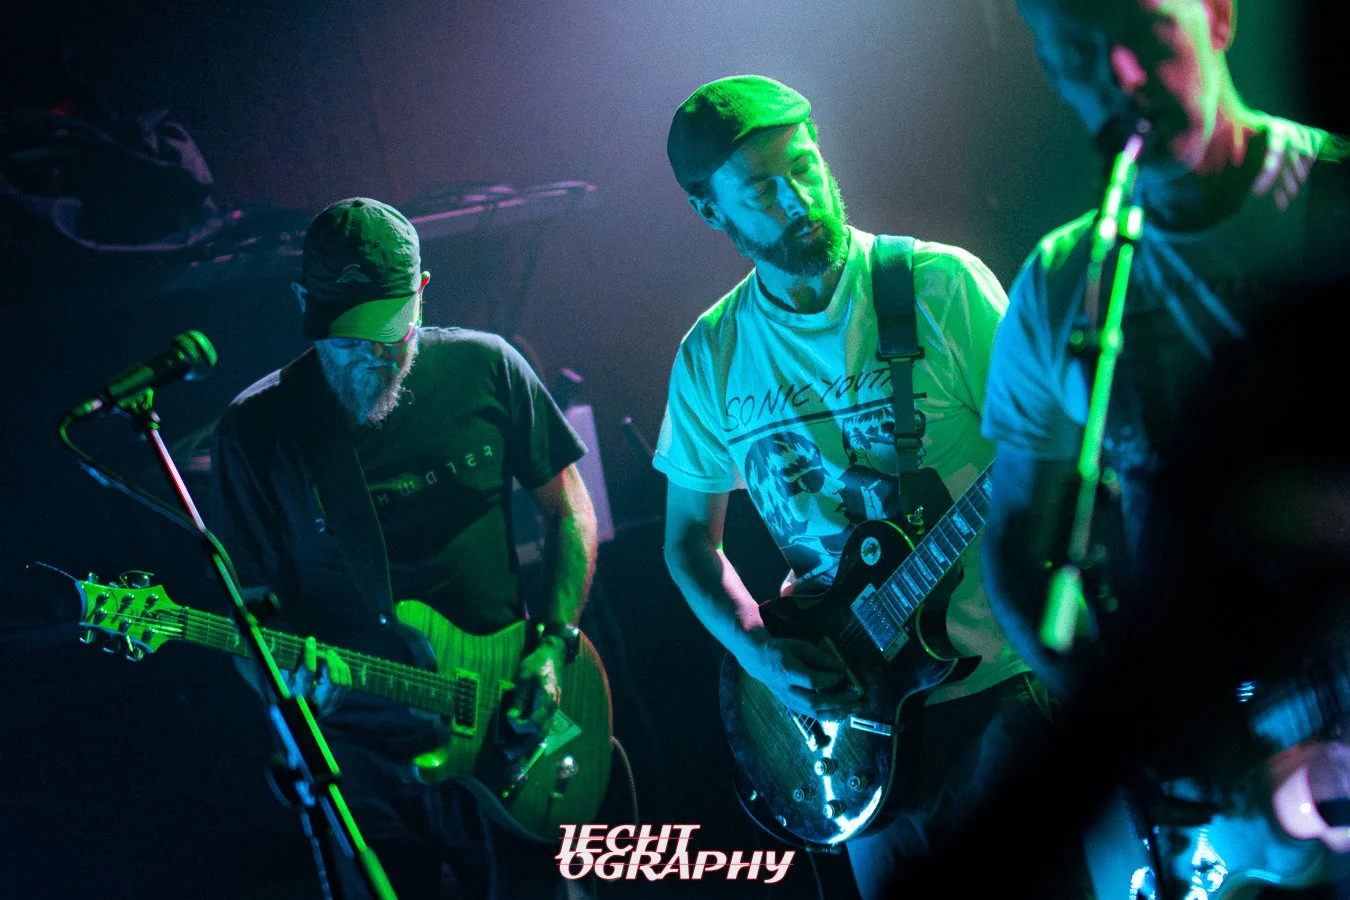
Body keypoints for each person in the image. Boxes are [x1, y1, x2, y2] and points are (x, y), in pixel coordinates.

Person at [653, 74, 1086, 898]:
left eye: (805, 167)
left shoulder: (940, 286)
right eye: (762, 190)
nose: (799, 198)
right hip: (851, 732)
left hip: (998, 695)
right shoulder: (711, 355)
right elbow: (686, 542)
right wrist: (757, 650)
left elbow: (1048, 453)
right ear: (710, 212)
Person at [977, 0, 1350, 895]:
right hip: (1224, 764)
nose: (1124, 78)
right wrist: (1147, 725)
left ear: (1218, 17)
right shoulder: (1062, 286)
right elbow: (1020, 545)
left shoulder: (1334, 197)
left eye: (1147, 35)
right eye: (1079, 56)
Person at [208, 197, 600, 899]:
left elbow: (568, 508)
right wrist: (286, 677)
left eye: (388, 334)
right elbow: (253, 613)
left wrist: (554, 641)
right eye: (345, 340)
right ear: (304, 304)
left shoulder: (487, 366)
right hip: (359, 750)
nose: (370, 356)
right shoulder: (256, 431)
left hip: (505, 718)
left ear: (421, 291)